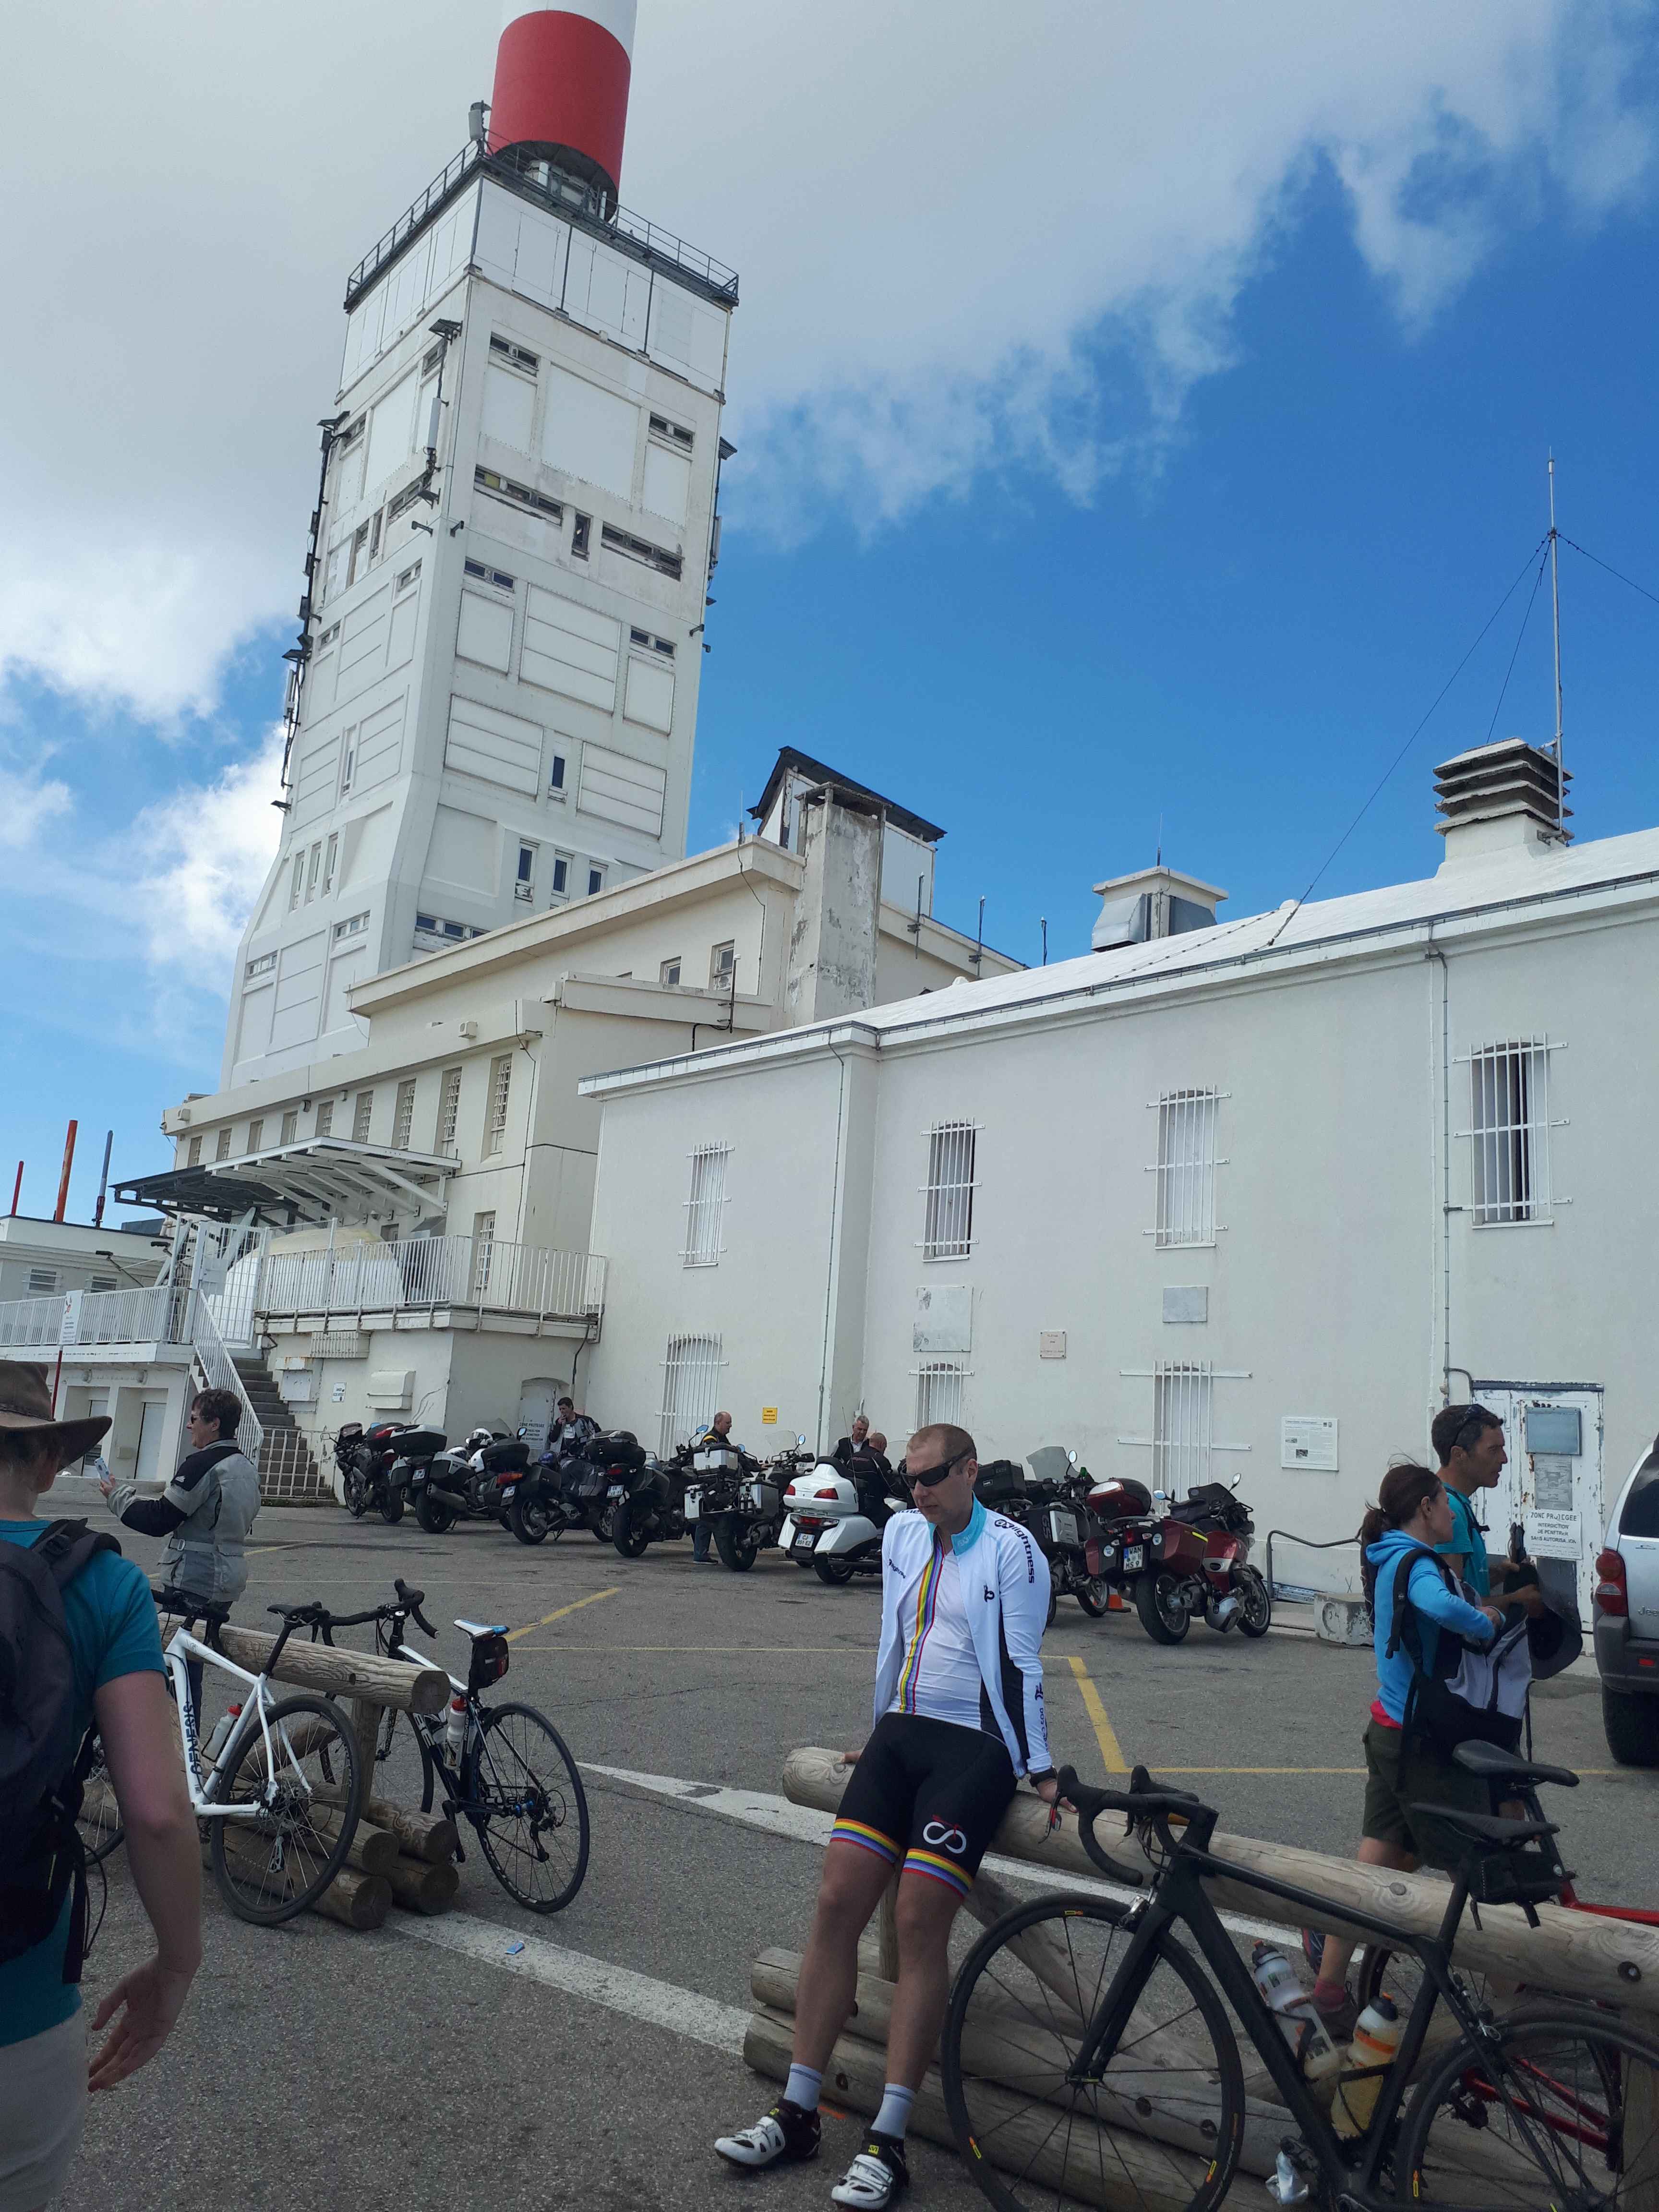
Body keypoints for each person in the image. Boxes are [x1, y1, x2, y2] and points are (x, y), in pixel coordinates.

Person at [715, 1422, 1059, 2209]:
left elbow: (1018, 1661)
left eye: (931, 1475)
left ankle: (888, 2137)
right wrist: (872, 1734)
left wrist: (1039, 1766)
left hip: (973, 1750)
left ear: (969, 1469)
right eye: (910, 1477)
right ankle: (798, 2109)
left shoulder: (1012, 1548)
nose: (917, 1489)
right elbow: (892, 1638)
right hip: (900, 1738)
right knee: (836, 1901)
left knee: (917, 1919)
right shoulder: (905, 1532)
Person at [0, 1362, 202, 2210]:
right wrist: (176, 1963)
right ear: (48, 1460)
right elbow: (155, 1811)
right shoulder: (102, 1582)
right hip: (20, 1997)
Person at [1306, 1462, 1511, 2034]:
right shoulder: (1417, 1562)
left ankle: (1327, 1990)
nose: (1452, 1513)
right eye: (1444, 1502)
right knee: (1477, 1858)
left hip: (1390, 1727)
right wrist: (1486, 1619)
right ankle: (1518, 2004)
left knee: (1377, 1861)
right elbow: (1444, 1608)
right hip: (1421, 1740)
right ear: (1424, 1507)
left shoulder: (1387, 1553)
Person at [99, 1385, 259, 1724]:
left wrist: (118, 1497)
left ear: (214, 1424)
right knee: (189, 1667)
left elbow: (160, 1519)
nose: (189, 1426)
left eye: (194, 1419)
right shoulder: (244, 1466)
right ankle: (186, 1756)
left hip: (194, 1578)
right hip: (227, 1578)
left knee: (176, 1672)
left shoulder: (203, 1464)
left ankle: (178, 1759)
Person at [690, 1411, 745, 1564]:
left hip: (713, 1484)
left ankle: (700, 1554)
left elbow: (734, 1456)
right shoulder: (711, 1440)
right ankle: (701, 1555)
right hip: (711, 1485)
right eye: (728, 1423)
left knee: (707, 1519)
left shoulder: (721, 1439)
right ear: (718, 1423)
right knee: (709, 1518)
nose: (730, 1426)